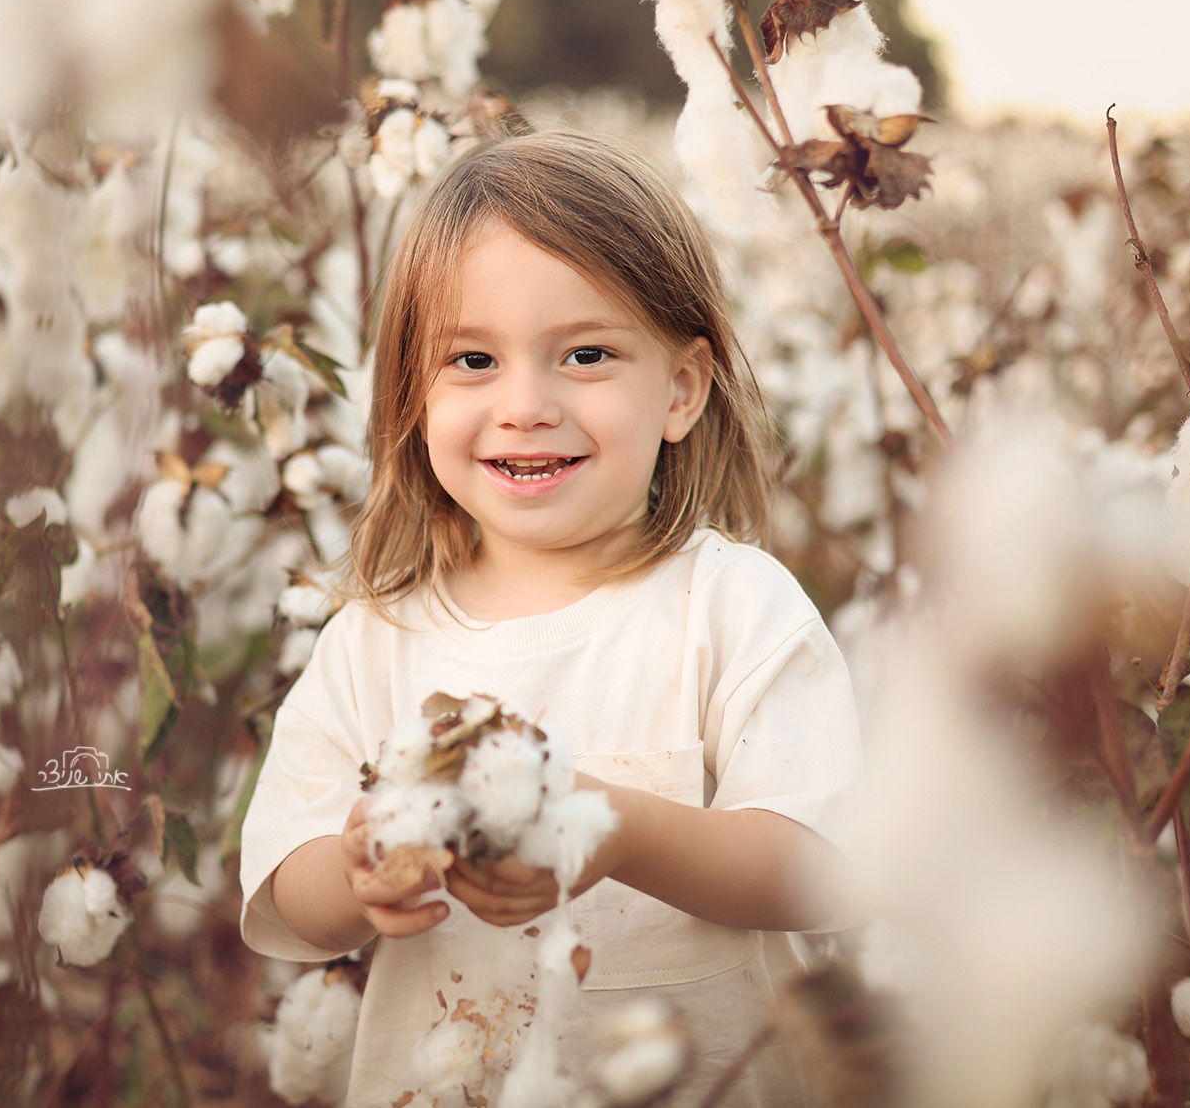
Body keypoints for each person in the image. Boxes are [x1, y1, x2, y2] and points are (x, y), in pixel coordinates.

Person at [238, 130, 861, 1106]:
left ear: (681, 388)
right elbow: (286, 894)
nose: (525, 404)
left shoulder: (729, 607)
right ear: (412, 392)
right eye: (473, 358)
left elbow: (819, 866)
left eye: (584, 353)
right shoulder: (375, 640)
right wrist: (356, 867)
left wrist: (613, 830)